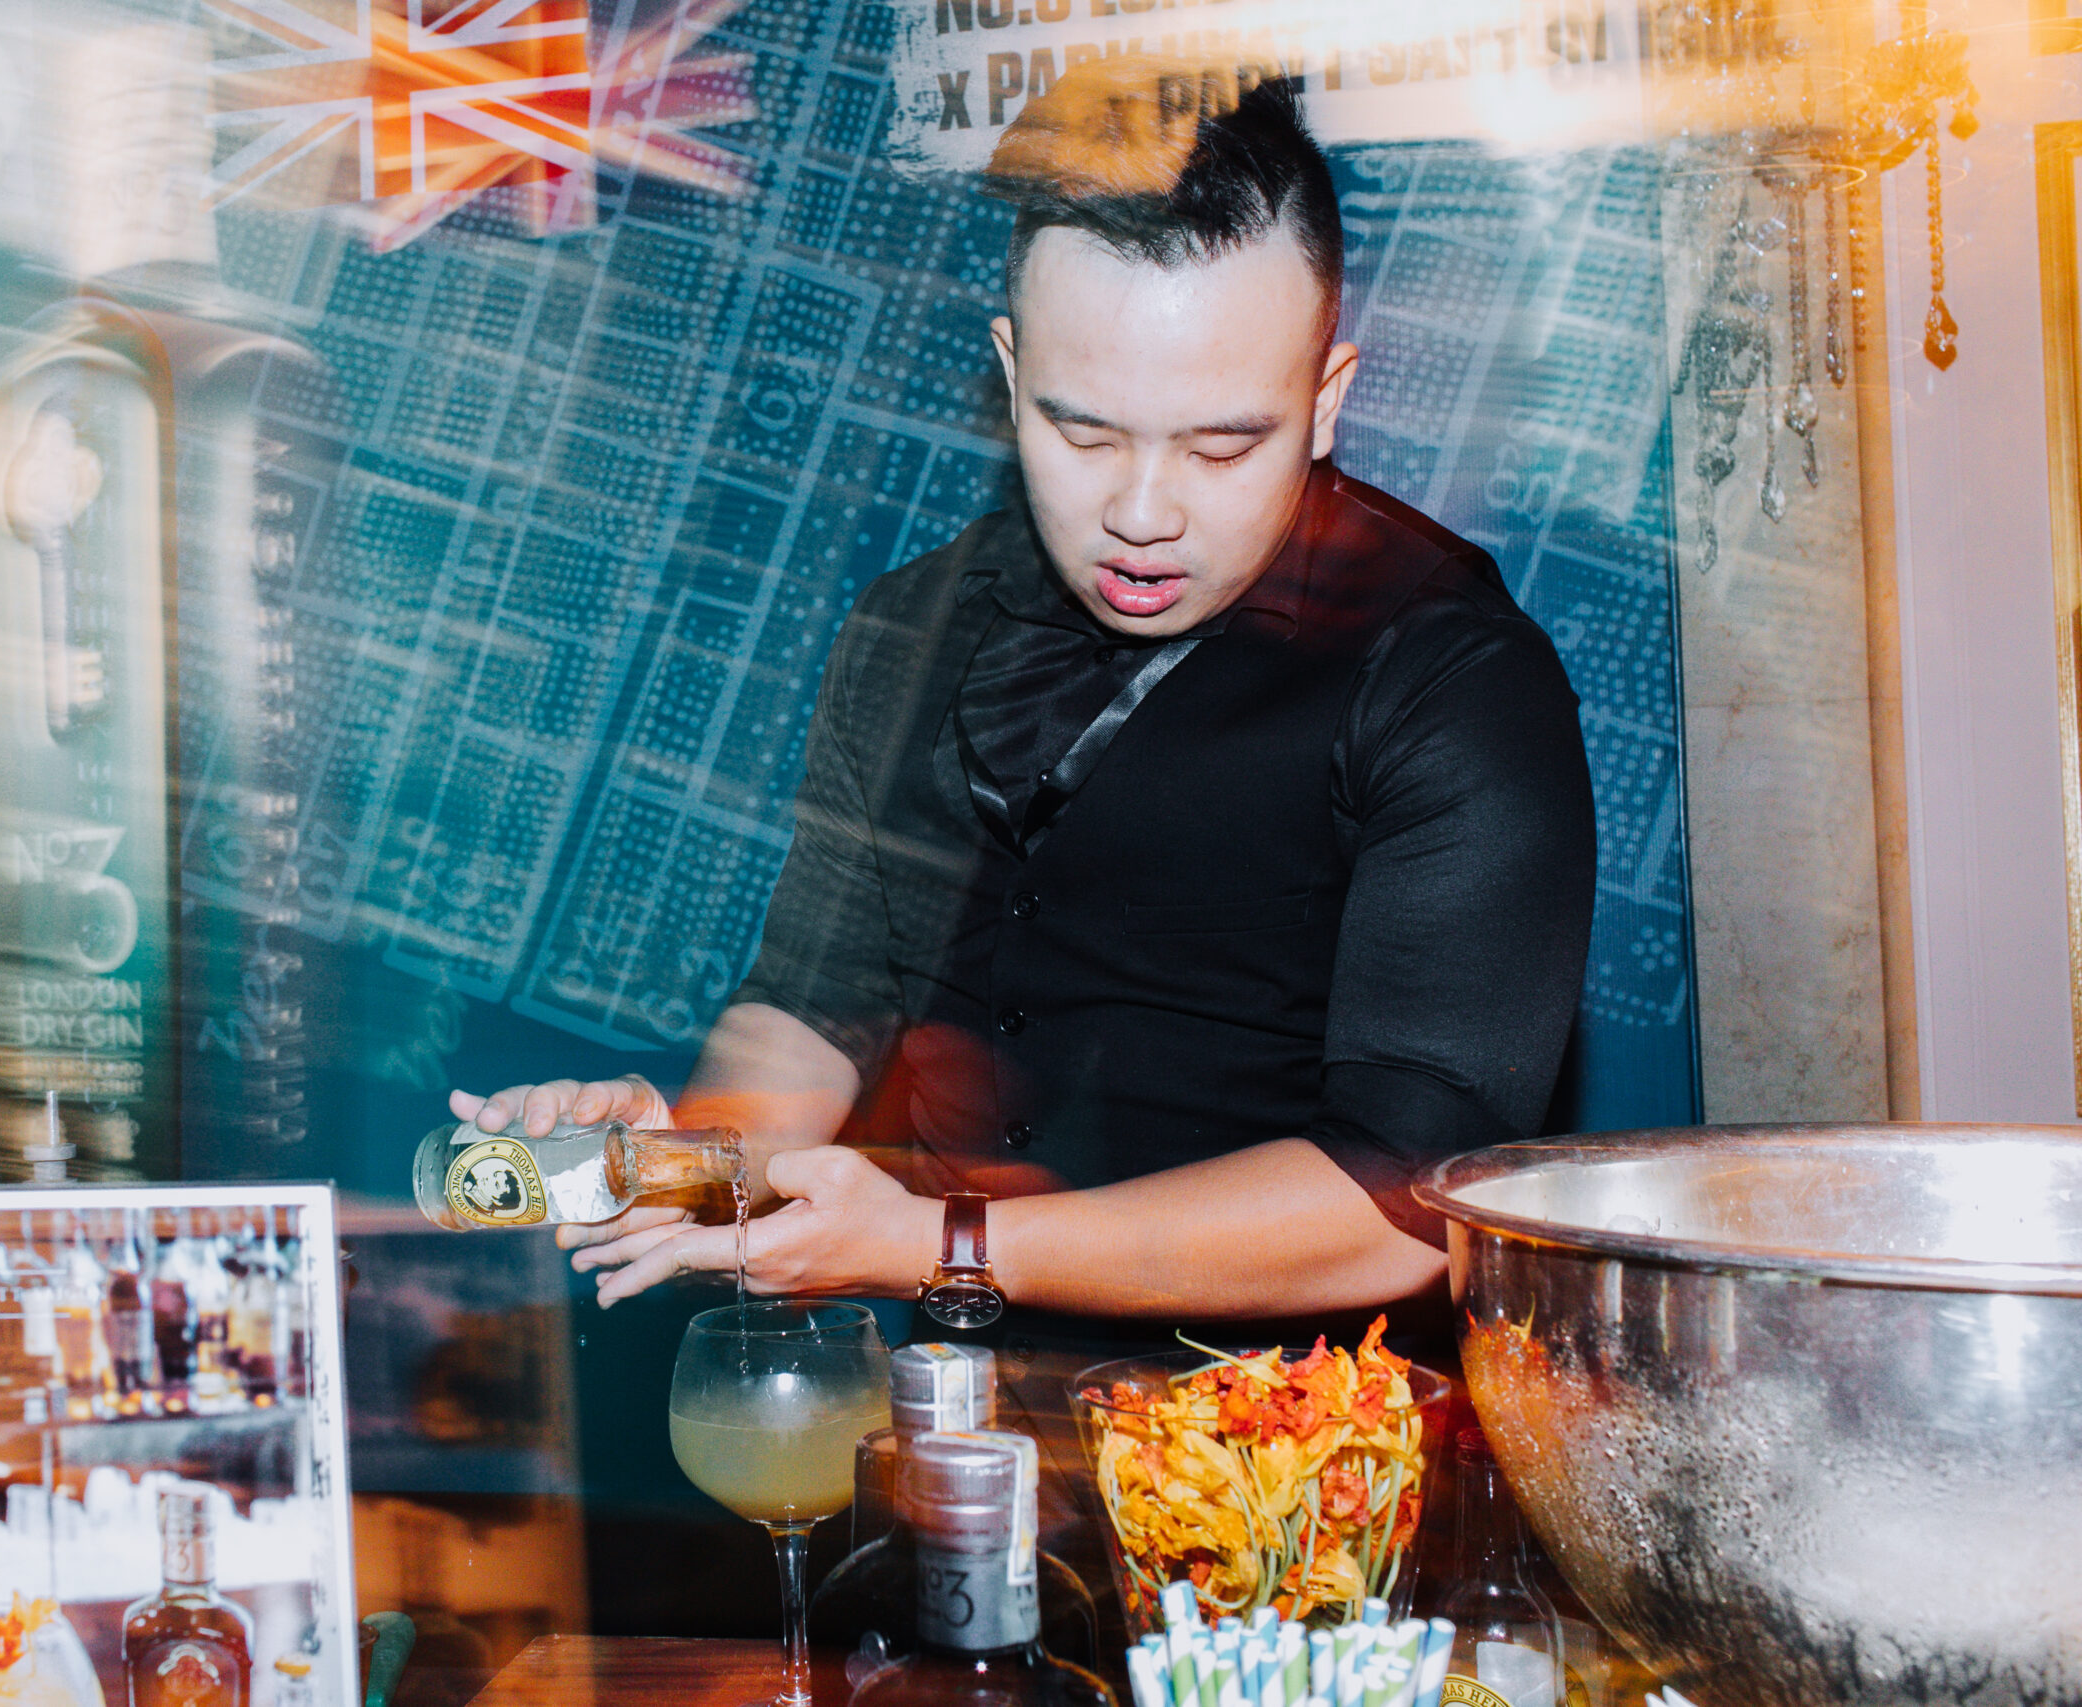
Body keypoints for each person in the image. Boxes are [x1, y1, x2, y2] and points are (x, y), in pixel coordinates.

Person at [451, 62, 1595, 1337]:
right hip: (954, 1416)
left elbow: (1410, 1202)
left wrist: (943, 1247)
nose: (1143, 512)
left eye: (1223, 445)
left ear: (1324, 402)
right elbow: (812, 1014)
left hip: (1298, 1433)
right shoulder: (909, 627)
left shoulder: (1453, 679)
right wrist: (680, 1155)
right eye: (1083, 433)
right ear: (1008, 375)